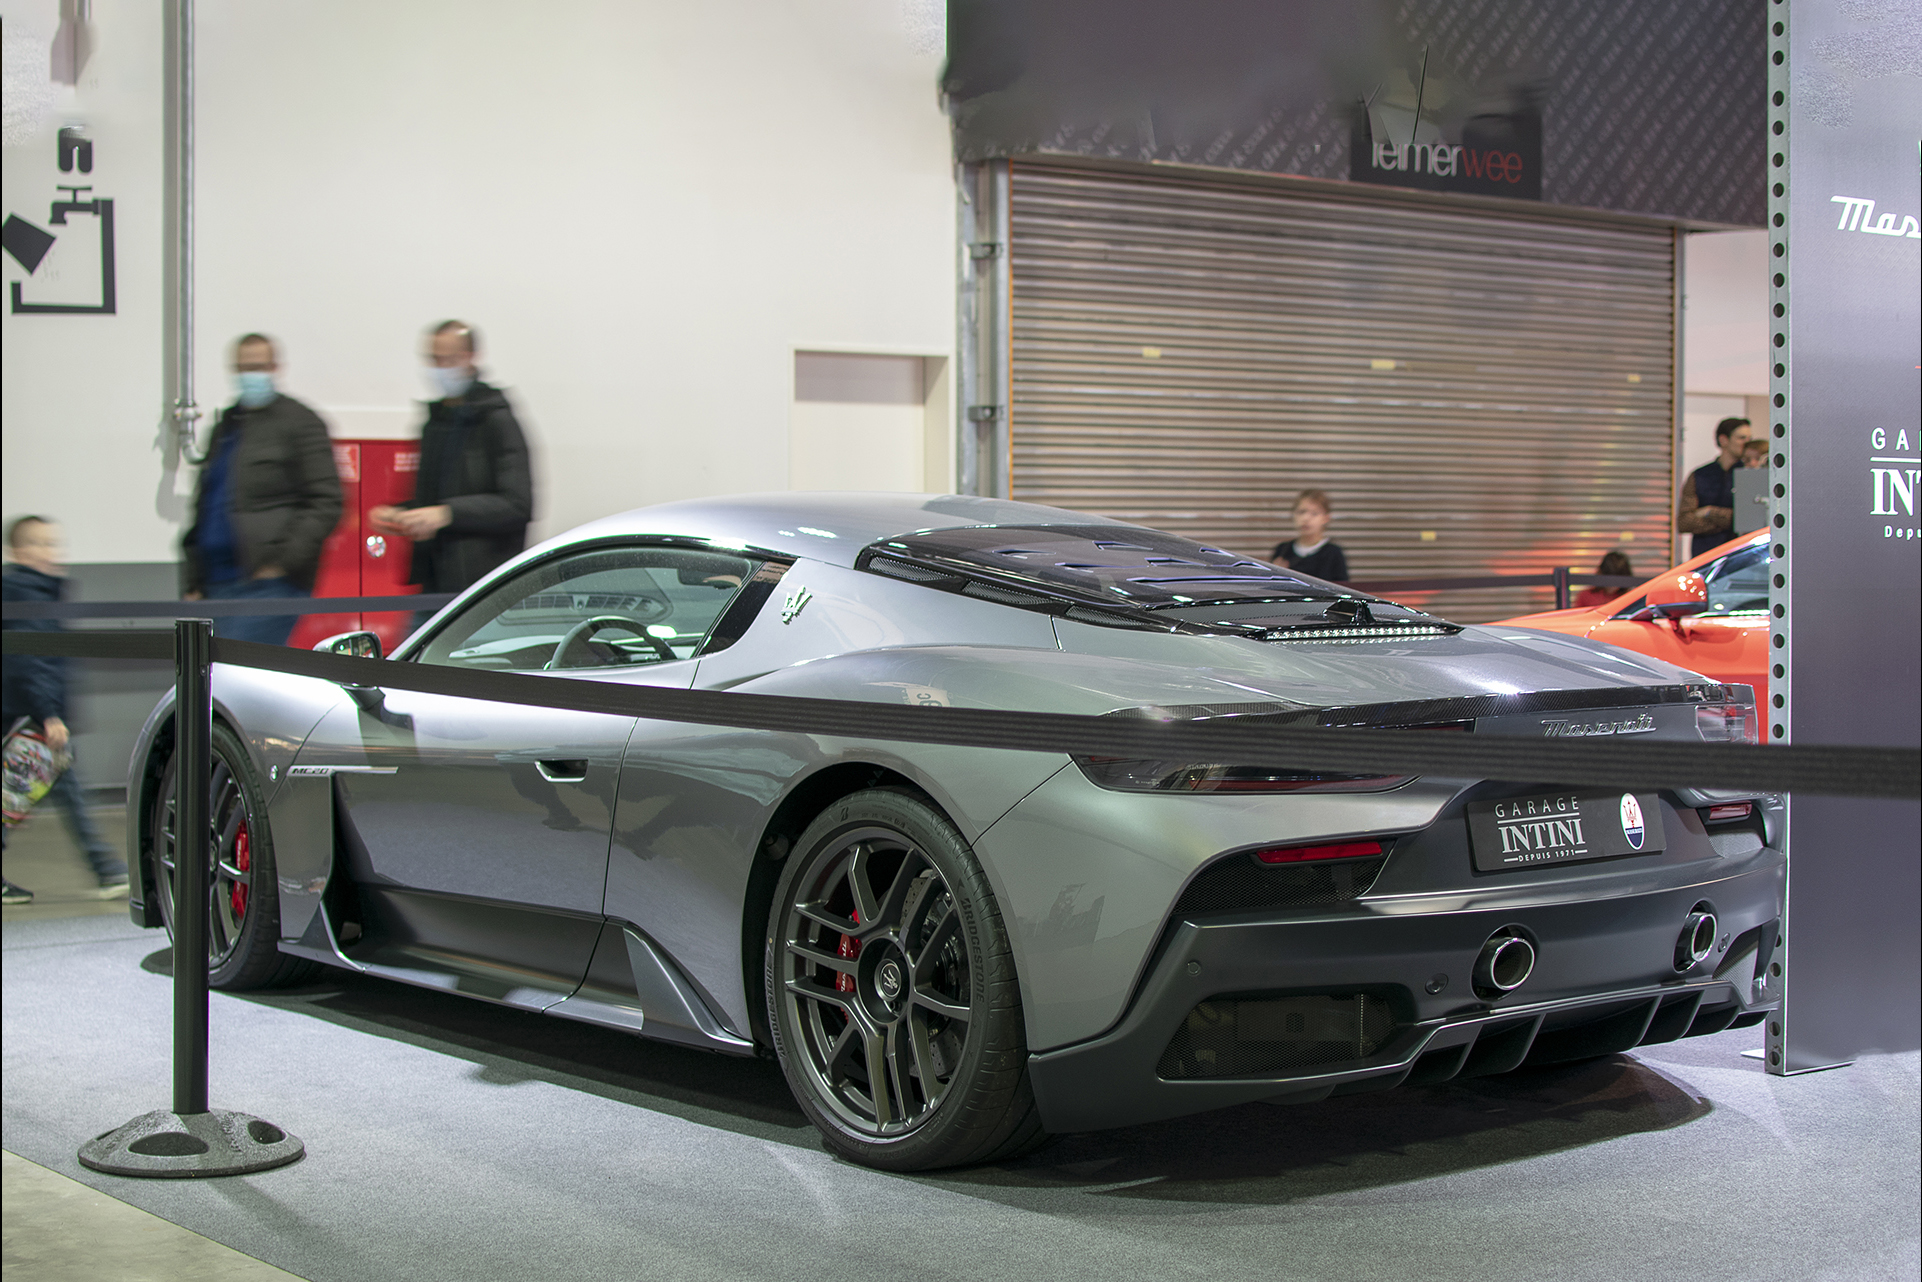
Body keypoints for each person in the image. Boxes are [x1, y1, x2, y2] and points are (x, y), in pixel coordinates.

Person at [180, 333, 343, 645]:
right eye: (243, 368)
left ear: (274, 368)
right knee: (212, 682)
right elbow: (206, 502)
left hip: (268, 584)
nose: (250, 375)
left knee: (236, 675)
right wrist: (194, 577)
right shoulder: (226, 426)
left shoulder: (300, 423)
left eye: (258, 366)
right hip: (217, 584)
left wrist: (281, 563)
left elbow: (327, 501)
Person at [2, 516, 129, 901]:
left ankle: (106, 868)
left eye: (53, 544)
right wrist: (48, 714)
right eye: (40, 544)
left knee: (24, 792)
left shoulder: (39, 592)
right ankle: (106, 869)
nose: (50, 552)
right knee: (34, 791)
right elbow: (29, 661)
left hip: (31, 714)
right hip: (29, 717)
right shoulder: (25, 593)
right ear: (20, 551)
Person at [371, 321, 533, 610]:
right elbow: (434, 499)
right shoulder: (435, 421)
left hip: (480, 587)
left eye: (450, 360)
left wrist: (446, 514)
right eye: (435, 360)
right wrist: (404, 514)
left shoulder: (496, 420)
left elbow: (517, 504)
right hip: (432, 579)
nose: (441, 368)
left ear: (471, 357)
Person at [1676, 416, 1750, 559]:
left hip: (1739, 557)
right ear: (1723, 440)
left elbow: (1746, 520)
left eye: (1749, 438)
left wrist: (1710, 512)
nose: (1747, 443)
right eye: (1741, 438)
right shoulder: (1700, 475)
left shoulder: (1750, 474)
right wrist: (1728, 520)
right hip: (1705, 558)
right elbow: (1684, 522)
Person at [1270, 489, 1348, 582]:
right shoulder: (1282, 551)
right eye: (1301, 512)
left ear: (1326, 518)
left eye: (1314, 513)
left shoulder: (1333, 553)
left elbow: (1343, 589)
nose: (1306, 518)